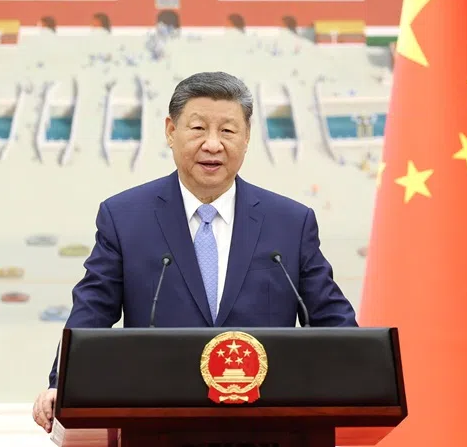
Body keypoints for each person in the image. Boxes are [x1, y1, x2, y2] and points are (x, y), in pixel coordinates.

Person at [32, 71, 356, 432]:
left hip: (268, 425)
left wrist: (360, 376)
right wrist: (60, 383)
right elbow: (92, 309)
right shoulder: (124, 217)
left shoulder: (291, 222)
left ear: (247, 137)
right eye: (198, 128)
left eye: (228, 131)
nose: (213, 145)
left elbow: (331, 318)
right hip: (156, 421)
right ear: (171, 131)